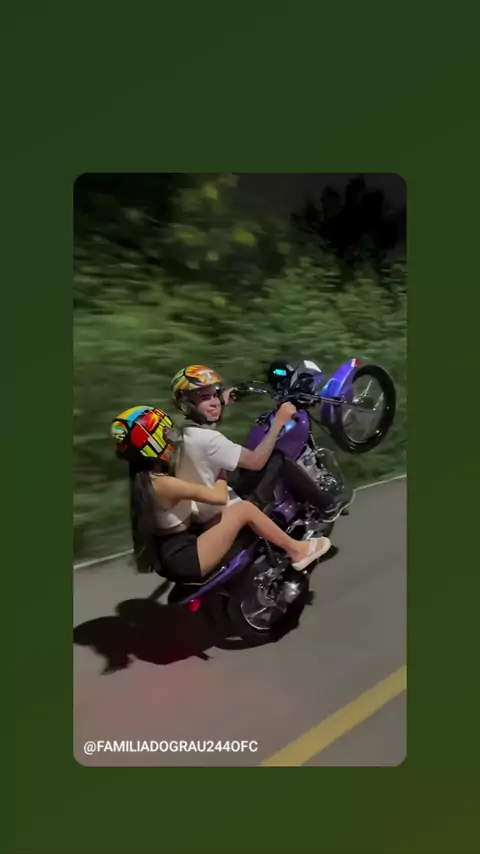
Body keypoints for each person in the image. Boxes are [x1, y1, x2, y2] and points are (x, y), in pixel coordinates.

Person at [111, 404, 332, 583]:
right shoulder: (164, 484)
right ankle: (297, 550)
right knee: (244, 509)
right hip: (187, 557)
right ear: (153, 443)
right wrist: (221, 471)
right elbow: (219, 497)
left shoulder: (144, 479)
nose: (171, 435)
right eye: (166, 432)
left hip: (170, 552)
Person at [170, 364, 297, 525]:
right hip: (225, 510)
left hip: (203, 508)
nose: (215, 403)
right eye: (205, 398)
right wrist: (279, 422)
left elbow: (209, 416)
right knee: (277, 459)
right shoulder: (209, 440)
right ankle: (323, 509)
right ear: (187, 405)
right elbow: (256, 462)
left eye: (215, 395)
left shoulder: (186, 432)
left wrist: (223, 399)